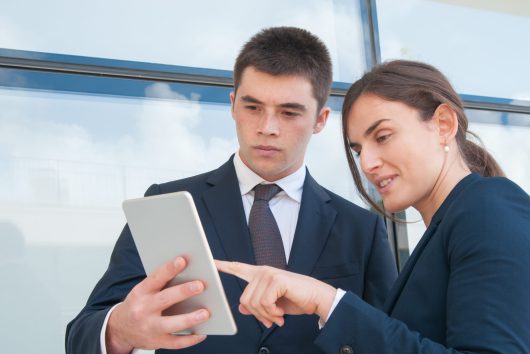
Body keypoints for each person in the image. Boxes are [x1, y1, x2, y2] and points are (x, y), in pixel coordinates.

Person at [65, 27, 398, 354]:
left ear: (320, 120)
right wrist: (120, 329)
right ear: (233, 105)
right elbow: (81, 335)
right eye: (253, 108)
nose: (267, 128)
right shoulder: (165, 205)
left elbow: (389, 340)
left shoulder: (361, 229)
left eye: (288, 112)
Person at [217, 60, 530, 353]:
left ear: (444, 124)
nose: (367, 164)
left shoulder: (488, 208)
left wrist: (327, 301)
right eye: (358, 150)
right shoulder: (450, 225)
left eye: (383, 136)